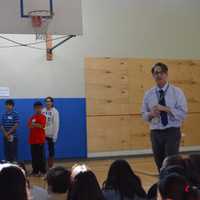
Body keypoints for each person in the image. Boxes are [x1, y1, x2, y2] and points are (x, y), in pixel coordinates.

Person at [141, 62, 188, 171]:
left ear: (166, 74)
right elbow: (143, 115)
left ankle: (173, 183)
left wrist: (166, 109)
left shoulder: (177, 92)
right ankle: (163, 185)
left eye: (161, 72)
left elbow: (183, 113)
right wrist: (150, 115)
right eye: (155, 73)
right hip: (155, 132)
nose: (158, 75)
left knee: (171, 162)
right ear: (153, 76)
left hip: (172, 130)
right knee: (159, 163)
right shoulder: (148, 94)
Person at [28, 101, 46, 176]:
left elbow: (42, 126)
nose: (37, 109)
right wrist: (35, 124)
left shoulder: (43, 117)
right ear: (34, 108)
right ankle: (35, 171)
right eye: (36, 108)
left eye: (39, 108)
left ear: (41, 108)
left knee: (40, 156)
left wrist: (34, 124)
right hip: (32, 140)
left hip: (40, 140)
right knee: (34, 156)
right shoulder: (32, 117)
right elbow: (29, 126)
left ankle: (43, 171)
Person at [42, 97, 60, 168]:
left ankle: (50, 166)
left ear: (52, 103)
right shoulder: (43, 110)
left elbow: (56, 124)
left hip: (51, 135)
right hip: (42, 134)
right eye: (46, 101)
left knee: (51, 151)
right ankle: (43, 165)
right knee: (41, 150)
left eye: (49, 101)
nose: (48, 103)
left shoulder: (55, 111)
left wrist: (55, 136)